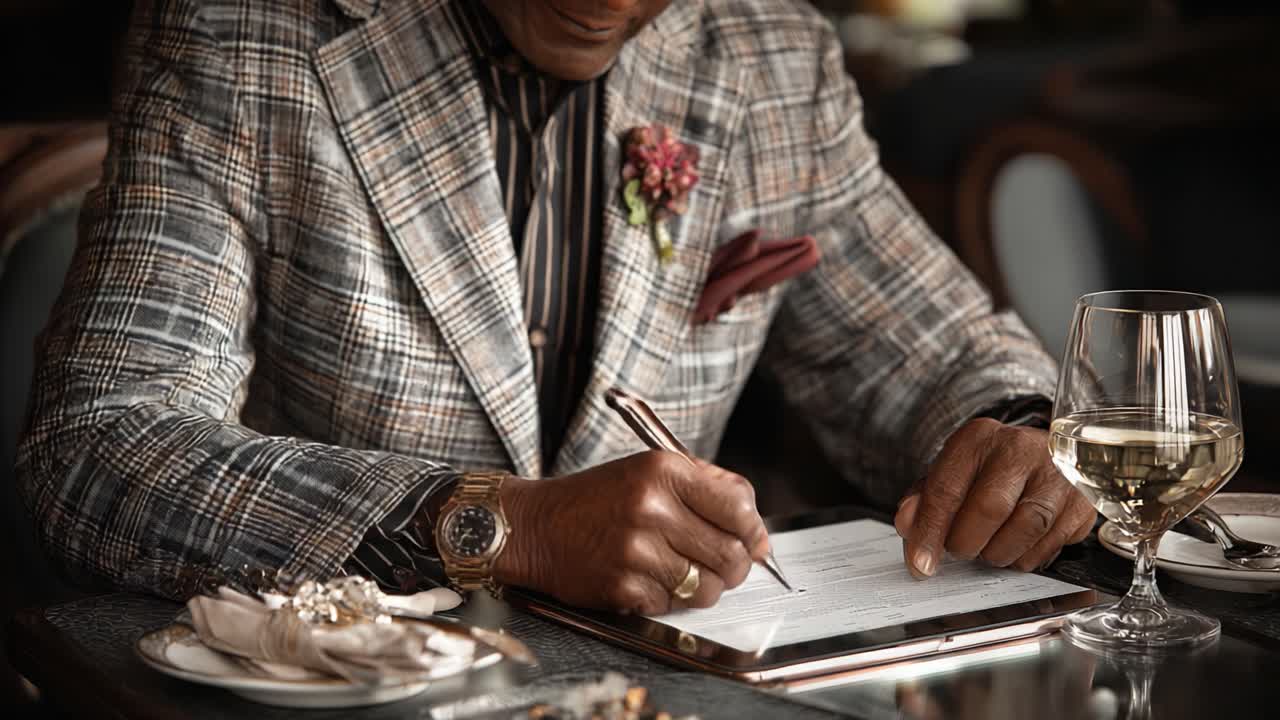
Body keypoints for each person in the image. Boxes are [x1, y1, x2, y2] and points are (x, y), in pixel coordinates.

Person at [16, 0, 1095, 616]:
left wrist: (1025, 437)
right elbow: (101, 448)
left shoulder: (767, 53)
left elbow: (936, 353)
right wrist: (504, 526)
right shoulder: (241, 36)